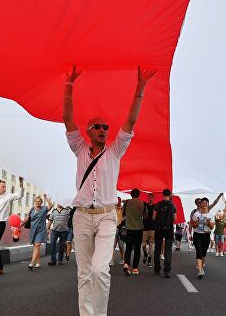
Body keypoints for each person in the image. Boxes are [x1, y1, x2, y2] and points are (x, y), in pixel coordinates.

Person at [63, 65, 155, 316]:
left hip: (106, 217)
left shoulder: (115, 152)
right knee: (83, 273)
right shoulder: (79, 149)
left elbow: (131, 121)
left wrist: (140, 88)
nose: (104, 129)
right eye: (98, 127)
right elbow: (67, 119)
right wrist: (69, 86)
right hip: (81, 216)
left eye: (105, 127)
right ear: (88, 131)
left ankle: (99, 314)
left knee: (99, 270)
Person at [0, 176, 24, 275]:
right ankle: (0, 268)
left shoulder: (7, 196)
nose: (5, 188)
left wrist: (20, 183)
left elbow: (20, 195)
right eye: (3, 187)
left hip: (0, 224)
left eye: (5, 187)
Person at [21, 195, 52, 270]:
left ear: (41, 202)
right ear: (34, 202)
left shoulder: (44, 209)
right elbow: (27, 218)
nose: (38, 202)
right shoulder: (32, 209)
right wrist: (21, 225)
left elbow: (50, 205)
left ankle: (32, 263)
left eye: (39, 201)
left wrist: (46, 198)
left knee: (37, 245)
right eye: (36, 201)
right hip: (33, 230)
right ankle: (38, 263)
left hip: (41, 230)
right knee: (35, 246)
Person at [190, 197, 216, 278]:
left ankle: (201, 265)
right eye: (203, 203)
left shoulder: (211, 215)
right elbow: (193, 226)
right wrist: (197, 223)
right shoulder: (196, 214)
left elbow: (212, 227)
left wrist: (208, 223)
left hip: (206, 235)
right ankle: (200, 270)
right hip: (197, 235)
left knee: (203, 253)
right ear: (200, 204)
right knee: (199, 252)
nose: (204, 204)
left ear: (208, 205)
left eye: (206, 203)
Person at [152, 189, 176, 278]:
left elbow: (154, 217)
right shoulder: (172, 205)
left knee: (157, 249)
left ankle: (157, 268)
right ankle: (167, 270)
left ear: (163, 194)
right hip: (169, 229)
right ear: (170, 195)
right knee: (168, 250)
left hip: (159, 229)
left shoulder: (158, 204)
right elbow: (175, 218)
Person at [122, 188, 146, 275]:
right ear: (139, 195)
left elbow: (123, 214)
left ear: (131, 194)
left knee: (128, 248)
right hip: (139, 229)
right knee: (137, 249)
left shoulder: (127, 203)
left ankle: (126, 264)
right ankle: (135, 268)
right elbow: (145, 215)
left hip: (129, 229)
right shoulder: (142, 203)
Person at [48, 201, 71, 266]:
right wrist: (48, 229)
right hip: (54, 231)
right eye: (58, 202)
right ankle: (53, 260)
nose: (59, 203)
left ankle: (60, 260)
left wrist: (67, 205)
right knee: (52, 245)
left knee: (61, 246)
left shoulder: (67, 211)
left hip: (64, 231)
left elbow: (72, 214)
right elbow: (50, 220)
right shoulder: (54, 211)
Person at [141, 193, 156, 267]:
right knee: (143, 245)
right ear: (148, 198)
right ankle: (145, 254)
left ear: (153, 198)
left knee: (151, 246)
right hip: (145, 228)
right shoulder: (144, 205)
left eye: (151, 198)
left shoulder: (155, 206)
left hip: (153, 228)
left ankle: (149, 261)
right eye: (149, 197)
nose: (150, 199)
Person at [111, 198, 125, 267]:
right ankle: (112, 260)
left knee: (121, 245)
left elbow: (125, 218)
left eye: (119, 201)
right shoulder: (113, 209)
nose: (118, 202)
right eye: (117, 201)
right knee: (112, 246)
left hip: (121, 229)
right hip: (113, 229)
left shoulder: (123, 209)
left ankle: (122, 258)